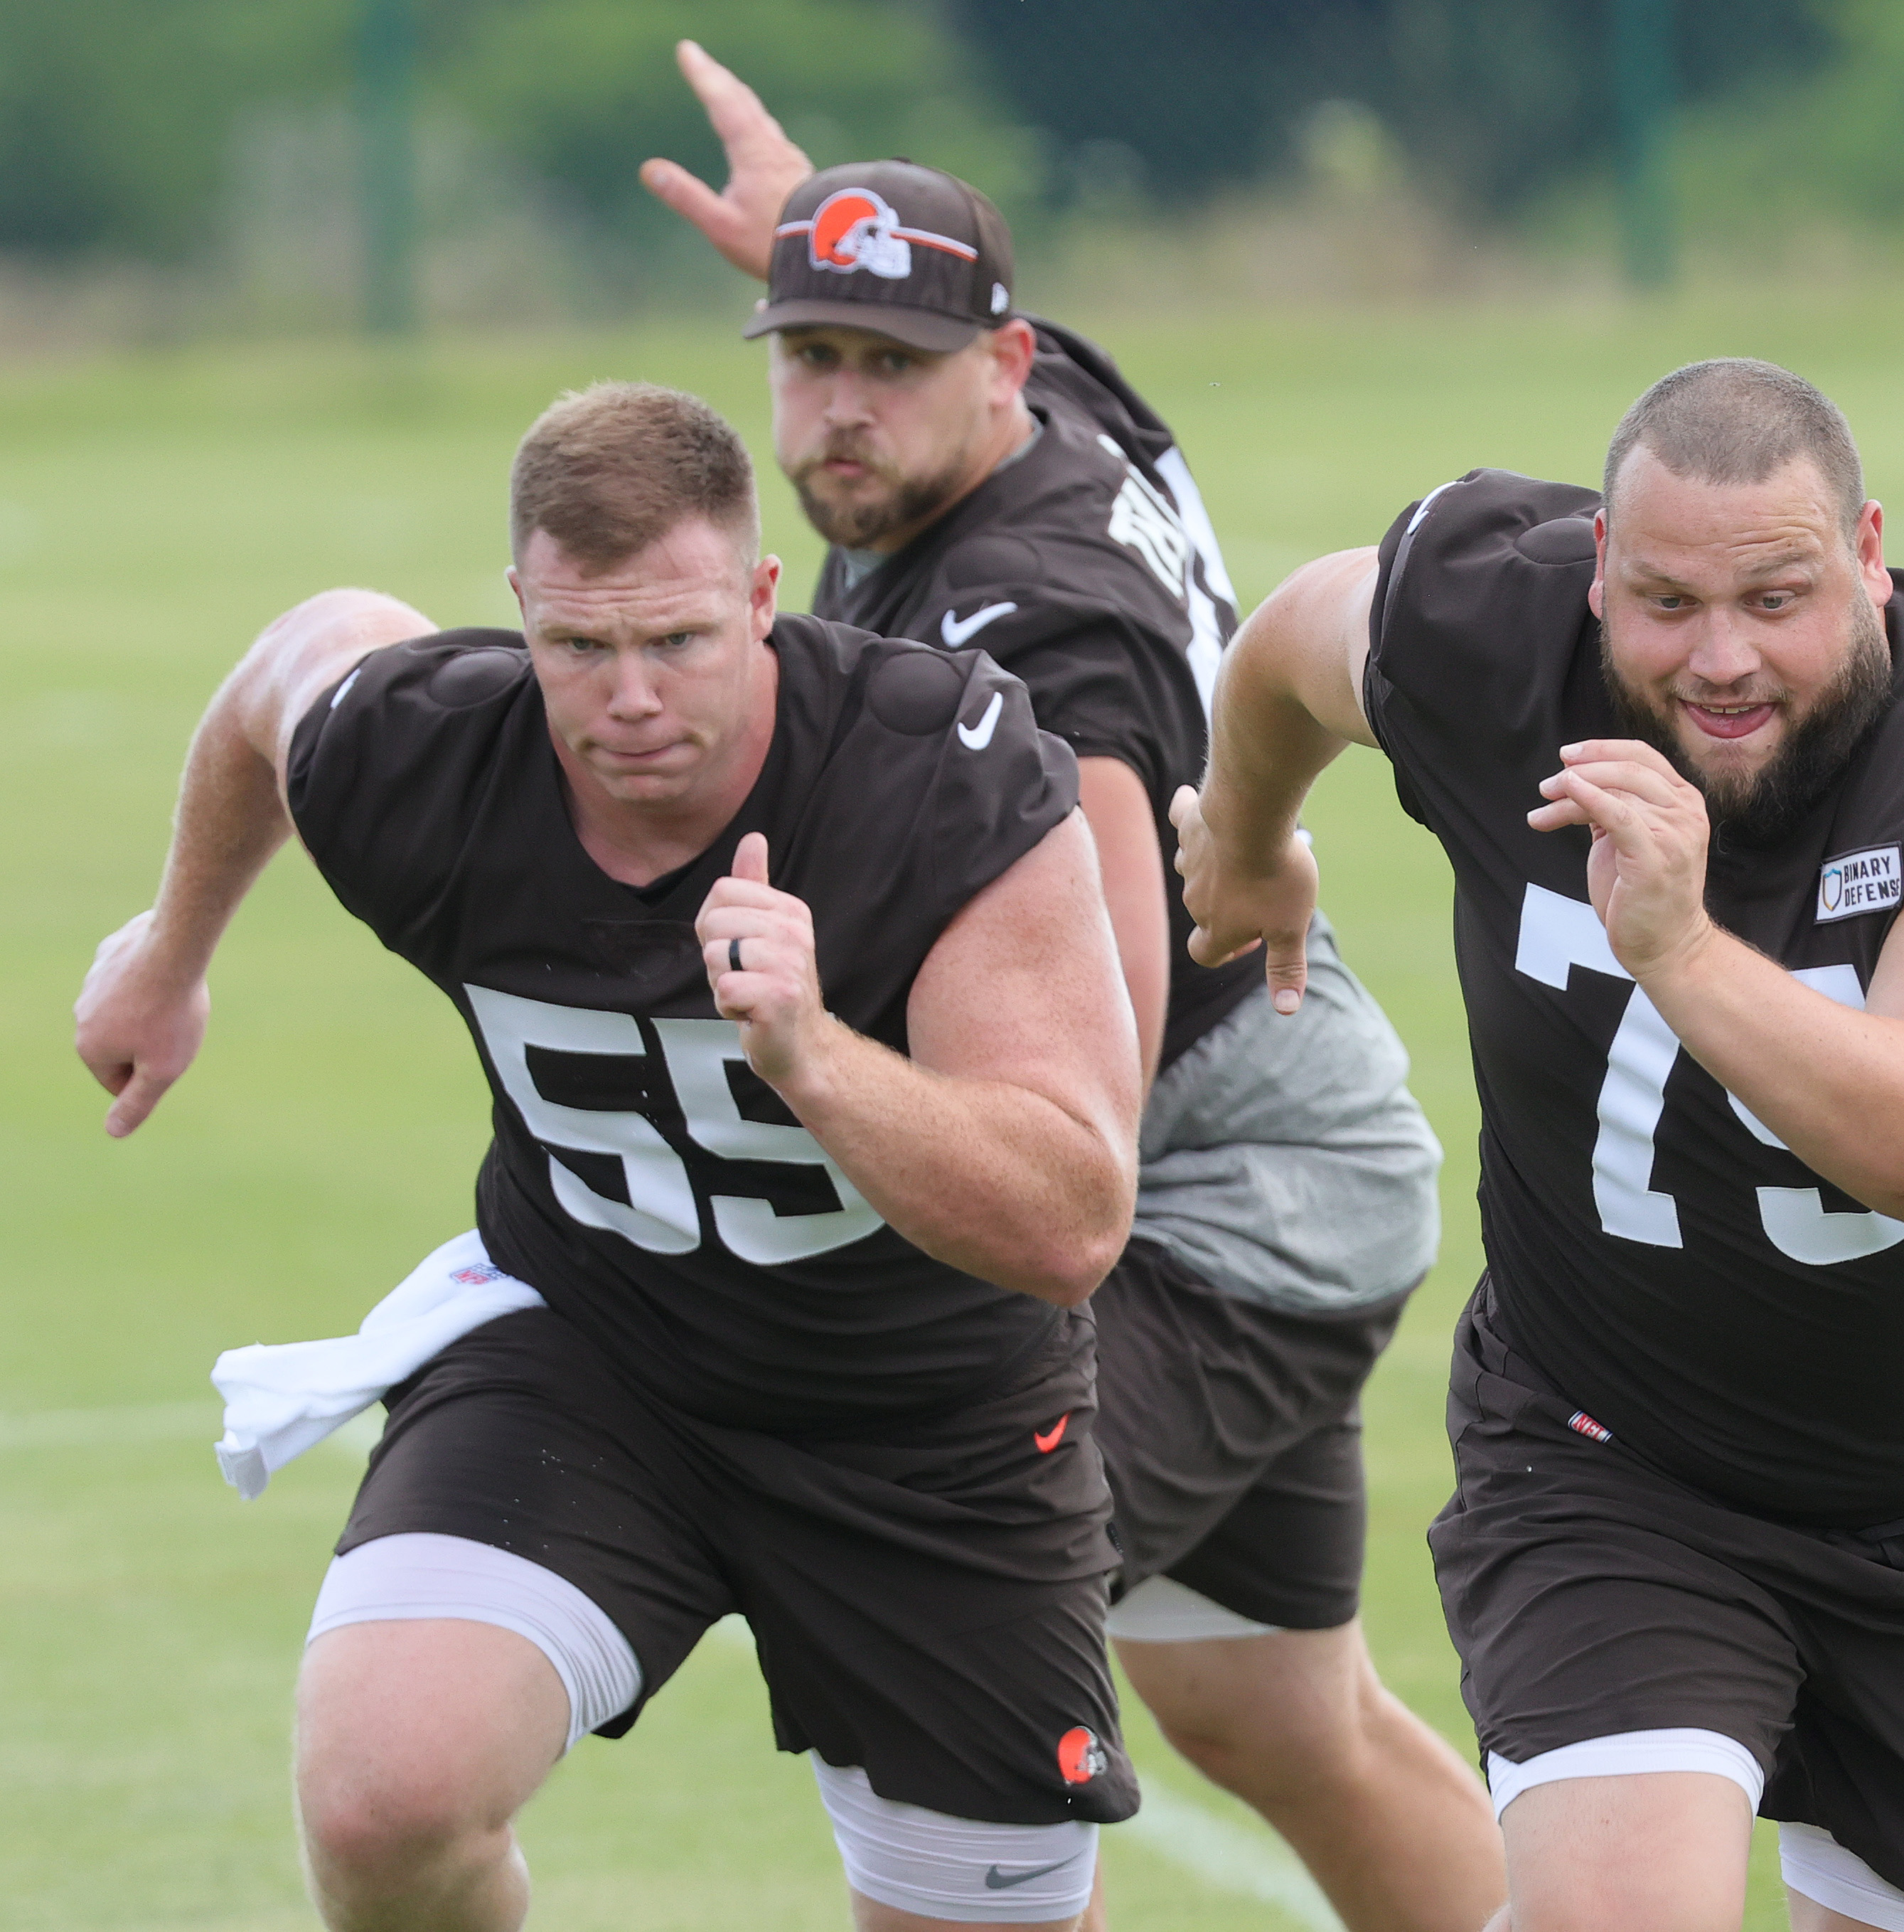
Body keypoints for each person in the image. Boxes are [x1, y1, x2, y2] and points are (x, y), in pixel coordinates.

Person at [74, 381, 1148, 1932]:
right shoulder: (431, 757)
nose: (628, 695)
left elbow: (1069, 1220)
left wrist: (814, 1055)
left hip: (923, 1420)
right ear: (519, 616)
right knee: (386, 1793)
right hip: (596, 1348)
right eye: (578, 647)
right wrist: (170, 953)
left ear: (762, 600)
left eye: (678, 641)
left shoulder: (939, 777)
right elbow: (289, 667)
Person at [639, 42, 1507, 1932]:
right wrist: (819, 238)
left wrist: (827, 1073)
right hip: (1289, 1110)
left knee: (936, 1597)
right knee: (1275, 1710)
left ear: (1001, 370)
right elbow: (906, 307)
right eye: (810, 357)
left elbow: (1080, 1097)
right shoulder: (1053, 405)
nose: (840, 415)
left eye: (891, 367)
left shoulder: (1035, 638)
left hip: (1218, 1191)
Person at [1173, 357, 1904, 1932]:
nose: (1718, 659)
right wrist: (1247, 831)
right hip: (1615, 1456)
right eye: (1663, 602)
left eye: (1775, 598)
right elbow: (1291, 638)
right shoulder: (1494, 632)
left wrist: (1683, 952)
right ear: (1598, 579)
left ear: (1864, 553)